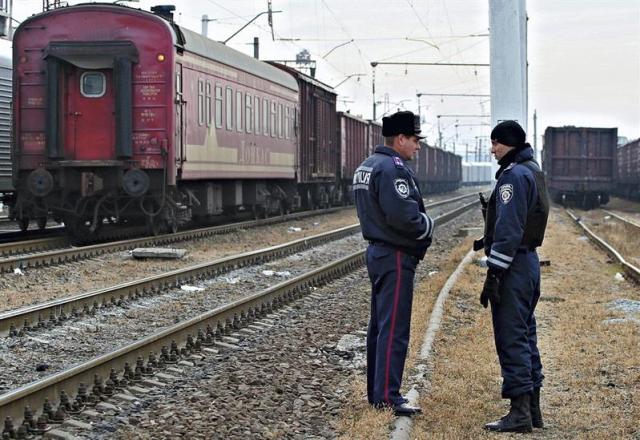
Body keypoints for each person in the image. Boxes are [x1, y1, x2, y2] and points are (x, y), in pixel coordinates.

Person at [352, 111, 434, 416]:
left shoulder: (367, 166)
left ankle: (377, 393)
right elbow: (405, 218)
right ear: (399, 138)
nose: (418, 146)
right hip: (396, 256)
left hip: (377, 252)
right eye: (414, 140)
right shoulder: (392, 169)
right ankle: (388, 395)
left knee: (380, 326)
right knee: (394, 327)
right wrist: (428, 226)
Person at [480, 120, 550, 433]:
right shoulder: (532, 169)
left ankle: (519, 413)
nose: (492, 149)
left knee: (511, 338)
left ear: (509, 143)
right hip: (528, 263)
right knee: (525, 335)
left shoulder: (513, 176)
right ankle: (533, 410)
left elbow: (508, 230)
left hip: (514, 266)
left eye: (496, 143)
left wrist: (494, 272)